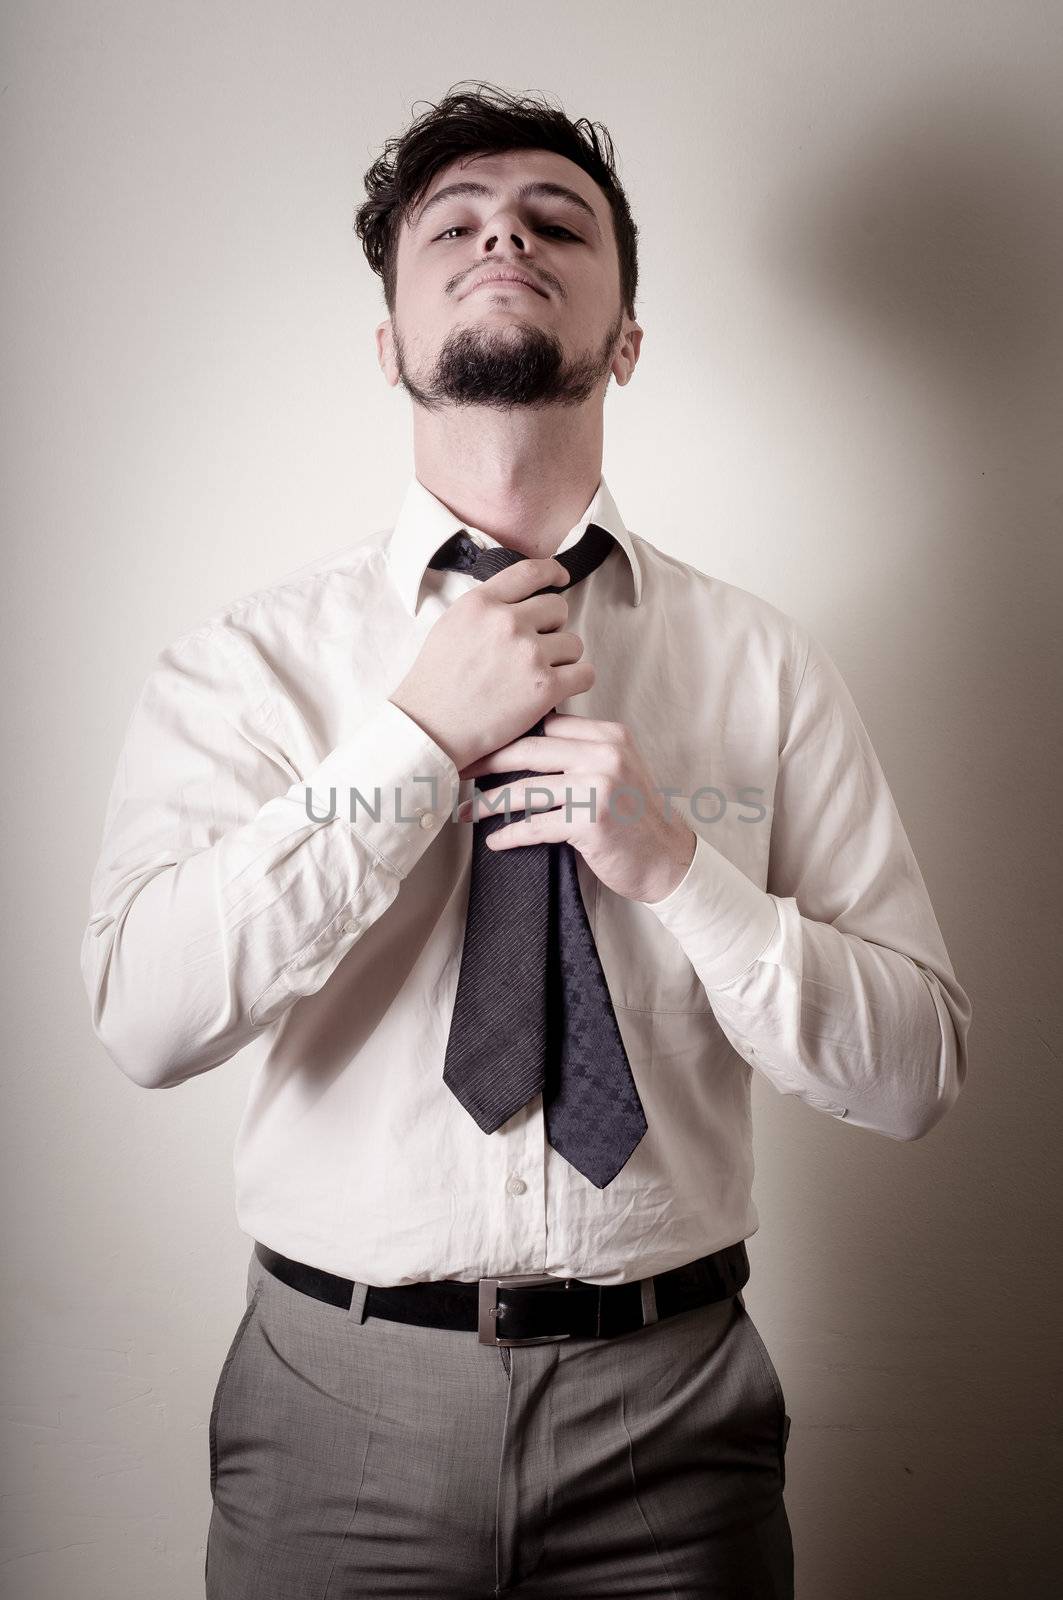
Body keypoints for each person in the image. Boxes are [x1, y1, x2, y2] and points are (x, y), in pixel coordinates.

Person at [81, 82, 971, 1600]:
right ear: (391, 347)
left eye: (557, 221)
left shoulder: (762, 669)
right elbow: (145, 1020)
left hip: (675, 1419)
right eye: (458, 227)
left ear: (628, 338)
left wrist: (686, 874)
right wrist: (413, 748)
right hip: (333, 1409)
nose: (507, 232)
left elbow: (918, 1077)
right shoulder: (245, 667)